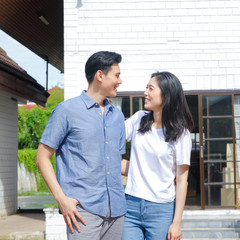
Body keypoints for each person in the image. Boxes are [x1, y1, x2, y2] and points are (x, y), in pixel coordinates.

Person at [36, 51, 127, 239]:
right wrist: (62, 199)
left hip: (116, 210)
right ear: (100, 75)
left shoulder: (117, 116)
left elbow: (117, 162)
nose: (120, 81)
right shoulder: (66, 111)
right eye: (117, 75)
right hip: (82, 211)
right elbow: (41, 158)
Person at [121, 71, 194, 240]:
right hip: (131, 204)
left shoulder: (181, 134)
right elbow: (109, 140)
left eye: (151, 88)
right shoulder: (139, 119)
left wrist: (176, 223)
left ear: (166, 95)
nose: (145, 92)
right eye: (146, 88)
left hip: (161, 210)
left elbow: (182, 180)